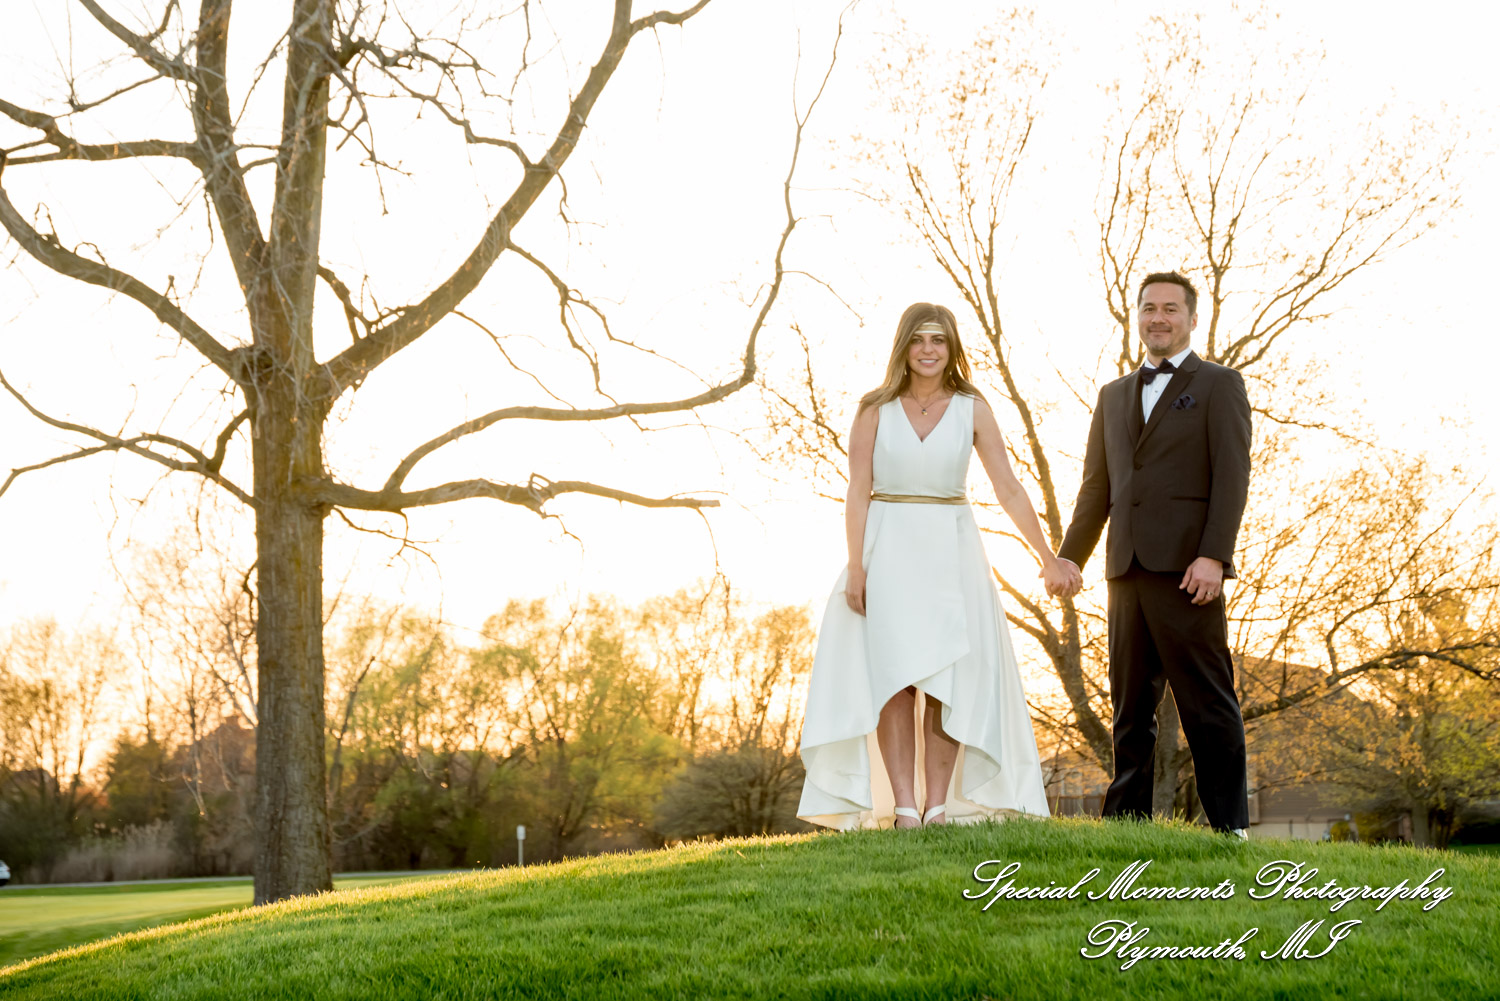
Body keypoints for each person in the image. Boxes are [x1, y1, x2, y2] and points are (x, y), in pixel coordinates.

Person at [796, 303, 1074, 830]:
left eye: (939, 340)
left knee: (948, 679)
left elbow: (1009, 488)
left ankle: (939, 808)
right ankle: (904, 809)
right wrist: (857, 568)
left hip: (953, 550)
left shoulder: (973, 408)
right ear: (904, 346)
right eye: (919, 340)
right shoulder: (874, 408)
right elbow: (857, 492)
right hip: (887, 547)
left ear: (952, 348)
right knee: (893, 682)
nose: (928, 350)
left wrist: (1047, 555)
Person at [1054, 270, 1253, 837]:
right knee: (1129, 712)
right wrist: (1071, 558)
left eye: (1170, 308)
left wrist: (1214, 555)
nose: (1158, 318)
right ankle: (1127, 827)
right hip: (1126, 571)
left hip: (1190, 571)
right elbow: (1097, 488)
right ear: (1135, 316)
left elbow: (1232, 477)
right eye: (1148, 308)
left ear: (1192, 318)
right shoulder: (1112, 395)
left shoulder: (1220, 385)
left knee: (1208, 703)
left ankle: (1230, 826)